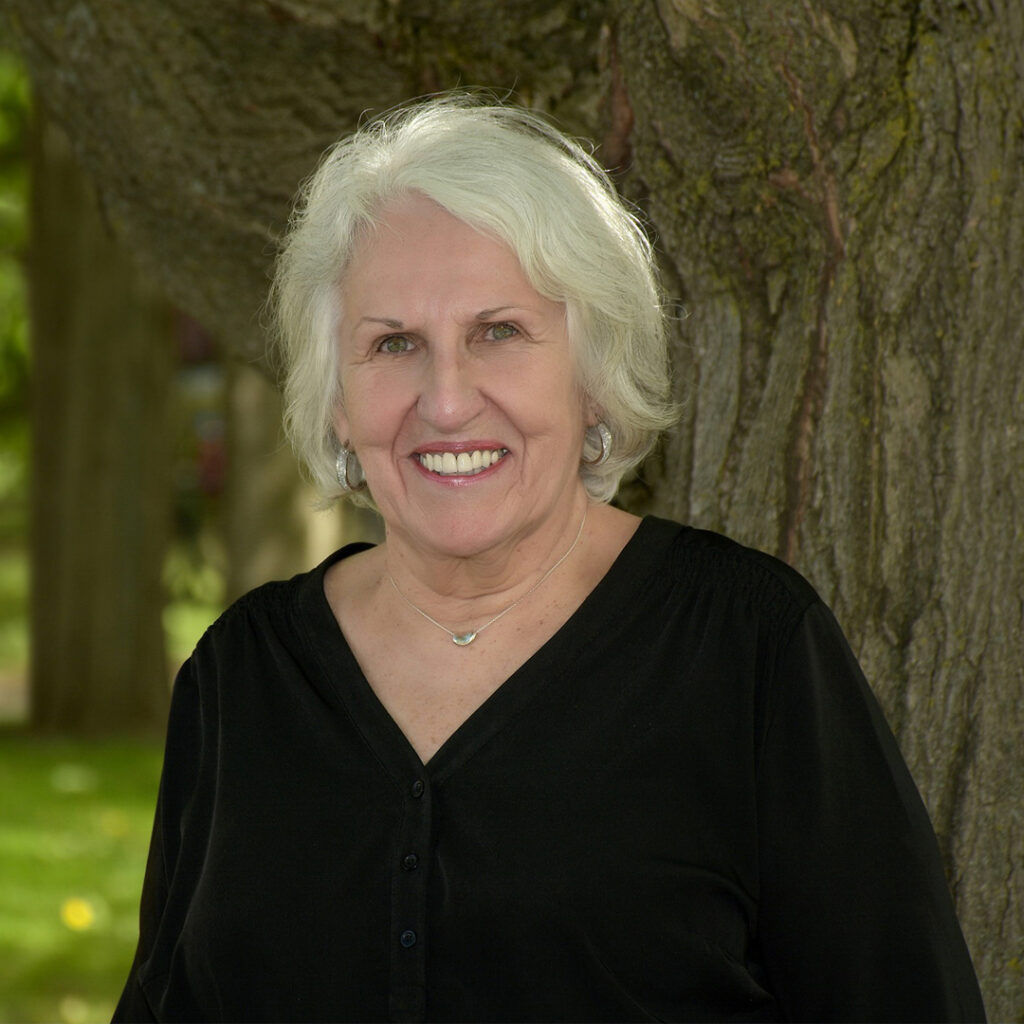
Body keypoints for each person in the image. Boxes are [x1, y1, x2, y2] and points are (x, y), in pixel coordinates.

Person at [114, 94, 985, 1023]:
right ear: (336, 401)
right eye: (393, 343)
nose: (446, 403)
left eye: (500, 332)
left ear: (594, 374)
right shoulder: (242, 677)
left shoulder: (750, 652)